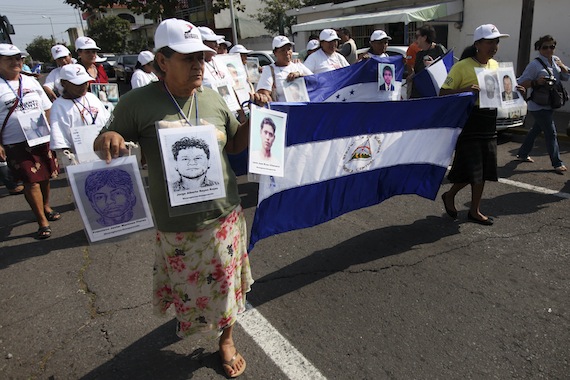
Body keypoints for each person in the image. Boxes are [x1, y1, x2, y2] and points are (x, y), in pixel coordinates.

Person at [93, 19, 252, 378]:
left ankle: (226, 339)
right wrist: (111, 138)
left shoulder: (211, 96)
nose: (198, 64)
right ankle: (200, 325)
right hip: (178, 224)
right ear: (162, 62)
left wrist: (253, 120)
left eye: (201, 57)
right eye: (187, 57)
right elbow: (104, 136)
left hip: (224, 213)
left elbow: (236, 144)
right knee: (190, 292)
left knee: (228, 285)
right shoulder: (138, 102)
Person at [439, 24, 511, 226]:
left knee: (484, 169)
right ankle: (450, 195)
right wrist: (465, 90)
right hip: (469, 120)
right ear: (477, 44)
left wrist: (513, 90)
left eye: (496, 42)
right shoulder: (462, 66)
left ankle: (474, 210)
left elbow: (500, 92)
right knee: (472, 169)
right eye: (490, 41)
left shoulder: (496, 66)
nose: (494, 46)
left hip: (489, 121)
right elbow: (442, 93)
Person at [0, 43, 59, 239]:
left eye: (18, 58)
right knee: (30, 181)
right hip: (15, 142)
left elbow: (47, 107)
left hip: (40, 137)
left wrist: (50, 131)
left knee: (45, 176)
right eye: (9, 58)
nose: (15, 62)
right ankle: (42, 220)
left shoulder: (31, 82)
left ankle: (46, 205)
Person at [516, 35, 569, 174]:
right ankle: (557, 162)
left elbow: (565, 77)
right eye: (545, 47)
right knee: (551, 133)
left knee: (535, 130)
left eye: (552, 47)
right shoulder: (535, 65)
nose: (549, 50)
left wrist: (563, 68)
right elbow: (521, 82)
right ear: (539, 49)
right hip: (538, 105)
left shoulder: (556, 61)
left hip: (550, 103)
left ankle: (522, 153)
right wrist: (536, 82)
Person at [49, 64, 111, 153]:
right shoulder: (59, 106)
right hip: (80, 159)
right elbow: (60, 142)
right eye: (78, 84)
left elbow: (108, 120)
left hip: (105, 151)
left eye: (85, 82)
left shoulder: (92, 97)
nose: (84, 86)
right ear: (64, 83)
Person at [255, 36, 313, 102]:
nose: (287, 52)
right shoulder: (269, 70)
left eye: (289, 49)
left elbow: (316, 81)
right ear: (275, 53)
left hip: (303, 109)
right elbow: (263, 93)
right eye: (282, 50)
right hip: (283, 110)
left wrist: (300, 75)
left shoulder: (298, 65)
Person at [410, 25, 447, 98]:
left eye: (417, 36)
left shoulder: (439, 49)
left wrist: (434, 65)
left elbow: (447, 69)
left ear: (424, 37)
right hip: (419, 95)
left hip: (434, 95)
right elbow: (417, 72)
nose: (415, 40)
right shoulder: (419, 54)